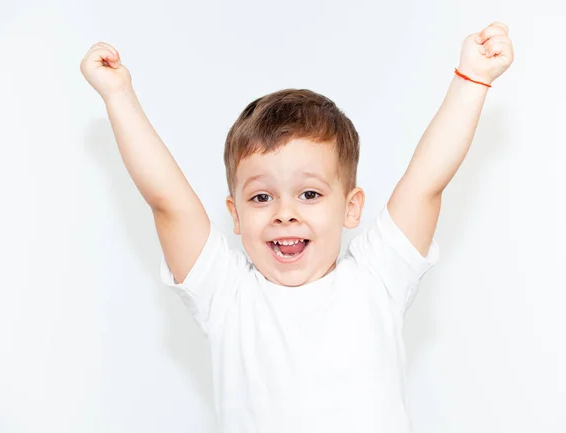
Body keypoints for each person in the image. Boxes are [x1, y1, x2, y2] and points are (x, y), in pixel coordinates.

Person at [80, 21, 513, 433]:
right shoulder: (227, 294)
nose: (284, 213)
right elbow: (168, 202)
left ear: (351, 207)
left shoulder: (377, 277)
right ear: (235, 214)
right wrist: (119, 96)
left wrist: (471, 79)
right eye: (261, 197)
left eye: (309, 194)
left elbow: (425, 183)